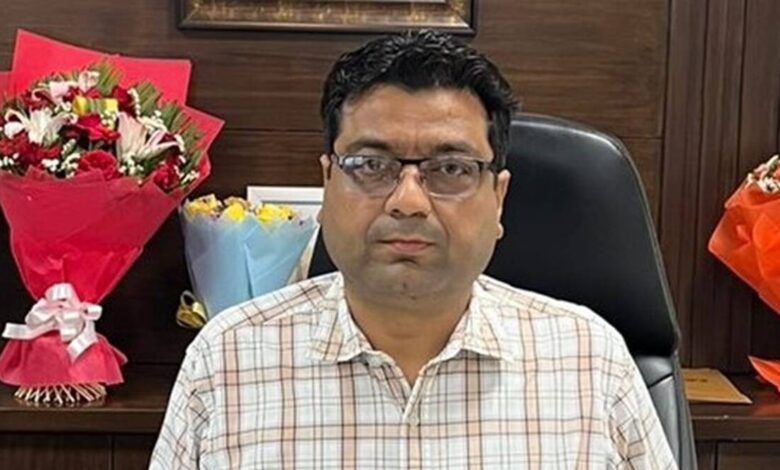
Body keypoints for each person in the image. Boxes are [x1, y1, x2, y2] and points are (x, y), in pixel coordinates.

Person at [151, 30, 677, 469]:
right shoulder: (227, 360)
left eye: (450, 169)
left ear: (498, 198)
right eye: (370, 165)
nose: (407, 201)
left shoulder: (590, 361)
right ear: (328, 183)